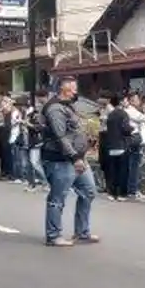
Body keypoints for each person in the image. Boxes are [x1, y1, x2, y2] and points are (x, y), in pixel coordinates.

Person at [41, 76, 97, 247]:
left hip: (77, 158)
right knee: (58, 197)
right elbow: (61, 137)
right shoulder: (55, 109)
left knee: (88, 191)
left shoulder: (69, 107)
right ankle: (53, 235)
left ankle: (82, 231)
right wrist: (74, 157)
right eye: (72, 88)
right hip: (60, 160)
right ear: (63, 89)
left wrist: (82, 155)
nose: (75, 91)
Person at [102, 96, 133, 201]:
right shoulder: (124, 114)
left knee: (113, 171)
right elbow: (125, 129)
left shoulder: (110, 115)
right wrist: (131, 129)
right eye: (125, 100)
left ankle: (112, 193)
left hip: (111, 146)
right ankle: (121, 194)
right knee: (122, 171)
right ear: (121, 102)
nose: (127, 102)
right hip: (122, 145)